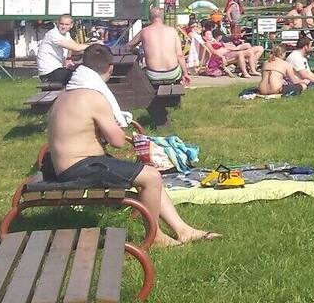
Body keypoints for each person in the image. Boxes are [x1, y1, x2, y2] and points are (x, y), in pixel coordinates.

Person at [44, 45, 218, 247]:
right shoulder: (94, 97)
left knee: (148, 174)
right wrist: (118, 128)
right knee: (151, 176)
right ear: (110, 68)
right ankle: (155, 236)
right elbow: (117, 142)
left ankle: (182, 230)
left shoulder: (65, 95)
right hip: (80, 167)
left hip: (66, 164)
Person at [130, 7, 187, 86]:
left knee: (142, 72)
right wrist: (185, 73)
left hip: (153, 75)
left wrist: (137, 51)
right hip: (173, 74)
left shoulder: (144, 31)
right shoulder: (172, 31)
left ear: (150, 18)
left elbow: (128, 46)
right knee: (176, 73)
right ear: (163, 17)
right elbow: (179, 56)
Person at [36, 15, 90, 86]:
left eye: (67, 24)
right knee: (83, 76)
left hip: (57, 71)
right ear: (57, 24)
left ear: (71, 25)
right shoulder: (53, 34)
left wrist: (68, 58)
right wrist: (94, 46)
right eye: (61, 24)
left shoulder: (66, 34)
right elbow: (76, 48)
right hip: (49, 74)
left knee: (83, 72)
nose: (63, 27)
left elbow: (74, 46)